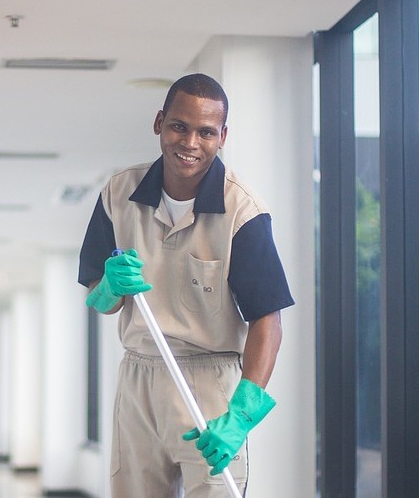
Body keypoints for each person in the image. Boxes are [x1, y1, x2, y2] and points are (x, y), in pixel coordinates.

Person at [78, 73, 293, 497]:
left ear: (222, 136)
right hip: (138, 377)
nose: (190, 143)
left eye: (205, 132)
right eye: (179, 126)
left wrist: (240, 417)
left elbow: (268, 321)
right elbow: (99, 299)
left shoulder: (242, 211)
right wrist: (110, 289)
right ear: (159, 122)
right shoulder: (118, 194)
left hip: (210, 385)